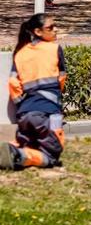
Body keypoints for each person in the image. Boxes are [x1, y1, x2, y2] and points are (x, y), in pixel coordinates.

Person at [2, 13, 67, 170]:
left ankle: (15, 151)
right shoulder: (54, 49)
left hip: (24, 114)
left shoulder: (20, 53)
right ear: (38, 31)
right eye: (51, 27)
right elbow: (61, 78)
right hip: (48, 112)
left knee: (29, 144)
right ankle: (18, 156)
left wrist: (21, 104)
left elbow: (13, 82)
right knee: (52, 155)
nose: (56, 30)